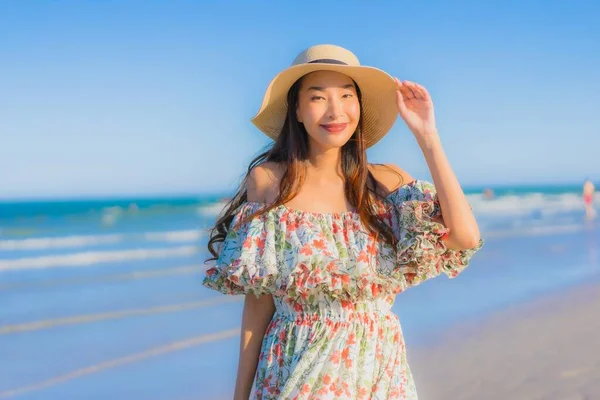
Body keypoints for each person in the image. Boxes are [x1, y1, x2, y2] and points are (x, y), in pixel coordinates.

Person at [203, 44, 483, 400]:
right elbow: (260, 300)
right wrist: (240, 395)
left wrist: (427, 136)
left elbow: (464, 236)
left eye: (346, 95)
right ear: (298, 112)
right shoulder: (270, 181)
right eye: (318, 97)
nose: (335, 110)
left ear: (359, 107)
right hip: (297, 364)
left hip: (378, 368)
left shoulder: (387, 183)